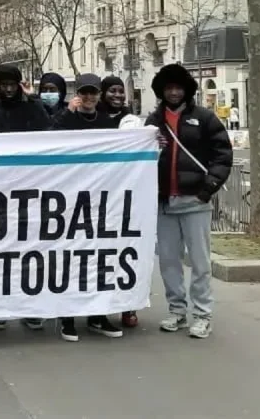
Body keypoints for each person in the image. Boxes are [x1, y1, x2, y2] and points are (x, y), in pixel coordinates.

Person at [145, 64, 232, 339]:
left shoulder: (204, 118)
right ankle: (177, 311)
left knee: (199, 261)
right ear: (161, 90)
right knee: (169, 261)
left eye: (178, 87)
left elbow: (222, 154)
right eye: (168, 88)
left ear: (186, 90)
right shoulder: (152, 122)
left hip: (195, 201)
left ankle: (203, 315)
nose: (173, 92)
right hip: (164, 203)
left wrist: (207, 189)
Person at [0, 64, 50, 331]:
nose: (7, 90)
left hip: (28, 187)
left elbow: (48, 133)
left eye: (11, 85)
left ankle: (29, 307)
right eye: (2, 85)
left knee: (29, 250)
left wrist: (33, 99)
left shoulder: (33, 107)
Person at [52, 73, 123, 342]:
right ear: (78, 95)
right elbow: (49, 142)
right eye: (85, 92)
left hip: (99, 199)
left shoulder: (107, 123)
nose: (90, 97)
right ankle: (67, 317)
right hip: (69, 199)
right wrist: (65, 115)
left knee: (97, 258)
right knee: (69, 257)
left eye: (94, 92)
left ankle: (97, 314)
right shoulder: (66, 120)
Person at [99, 76, 139, 329]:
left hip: (125, 196)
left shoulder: (132, 121)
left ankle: (127, 306)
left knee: (125, 252)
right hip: (99, 196)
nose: (117, 95)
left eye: (120, 91)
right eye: (112, 91)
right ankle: (101, 307)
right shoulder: (94, 119)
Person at [0, 64, 50, 134]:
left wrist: (32, 96)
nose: (9, 89)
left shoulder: (28, 107)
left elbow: (45, 124)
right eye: (4, 84)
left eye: (12, 84)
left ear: (18, 85)